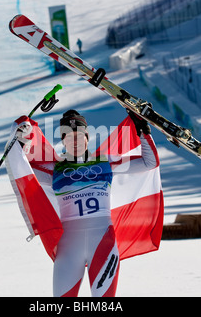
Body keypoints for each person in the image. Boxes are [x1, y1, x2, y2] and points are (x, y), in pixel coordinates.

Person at [12, 109, 160, 297]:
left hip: (103, 244)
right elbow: (22, 167)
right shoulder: (55, 169)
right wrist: (22, 141)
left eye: (80, 135)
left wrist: (143, 132)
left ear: (87, 137)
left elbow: (150, 162)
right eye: (69, 136)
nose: (75, 141)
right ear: (63, 141)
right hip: (69, 248)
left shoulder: (106, 162)